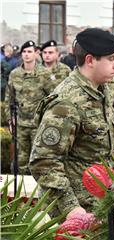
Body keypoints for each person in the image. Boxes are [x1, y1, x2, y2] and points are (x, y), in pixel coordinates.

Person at [29, 28, 114, 217]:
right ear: (90, 60)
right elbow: (43, 161)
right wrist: (71, 208)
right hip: (77, 213)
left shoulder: (100, 91)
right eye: (111, 59)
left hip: (98, 203)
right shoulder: (67, 101)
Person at [4, 40, 52, 174]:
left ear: (36, 53)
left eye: (29, 51)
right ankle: (21, 190)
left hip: (38, 124)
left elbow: (52, 99)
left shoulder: (45, 74)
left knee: (38, 158)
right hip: (20, 123)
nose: (26, 54)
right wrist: (10, 119)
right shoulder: (15, 74)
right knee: (20, 160)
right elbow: (9, 99)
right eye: (24, 52)